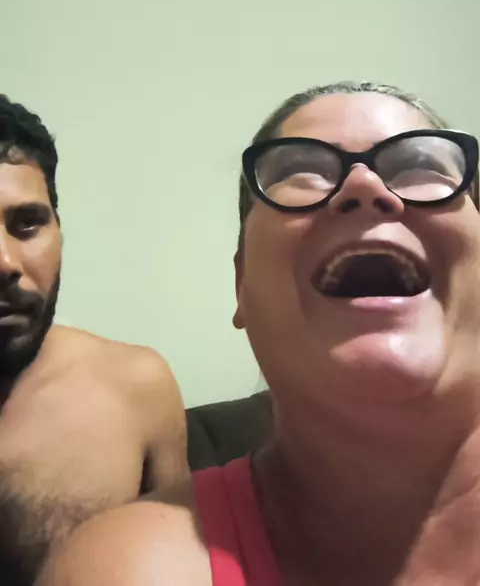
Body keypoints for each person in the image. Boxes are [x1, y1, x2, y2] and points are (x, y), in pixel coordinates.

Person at [38, 81, 480, 586]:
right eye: (300, 171)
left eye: (419, 165)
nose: (364, 186)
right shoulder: (126, 568)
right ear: (241, 284)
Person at [0, 94, 189, 586]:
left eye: (27, 224)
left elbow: (184, 563)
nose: (5, 262)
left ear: (59, 231)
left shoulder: (136, 387)